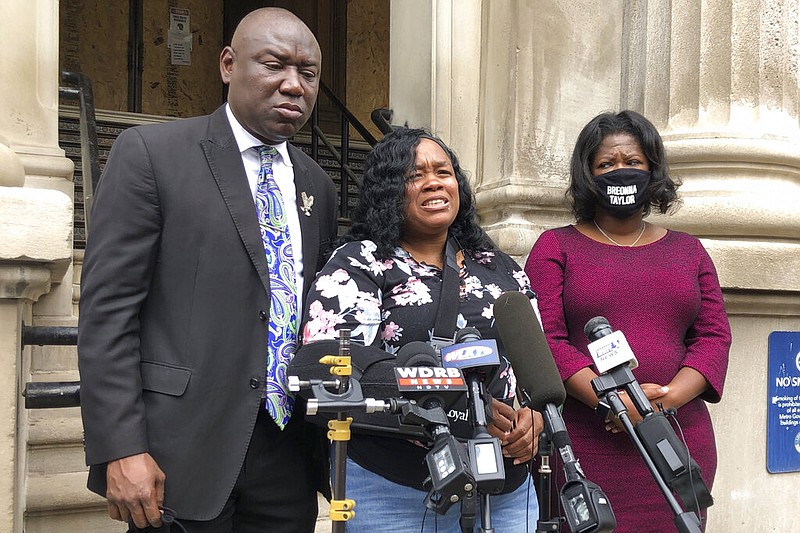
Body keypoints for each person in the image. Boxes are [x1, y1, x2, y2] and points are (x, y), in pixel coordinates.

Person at [77, 7, 337, 532]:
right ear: (227, 64)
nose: (293, 86)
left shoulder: (318, 186)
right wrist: (121, 447)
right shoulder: (152, 155)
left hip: (287, 456)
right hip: (180, 453)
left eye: (307, 74)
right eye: (274, 66)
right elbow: (107, 314)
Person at [298, 127, 543, 532]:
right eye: (414, 175)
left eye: (443, 171)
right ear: (388, 191)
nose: (433, 181)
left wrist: (533, 416)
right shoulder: (361, 263)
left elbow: (534, 360)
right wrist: (462, 406)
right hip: (395, 486)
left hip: (503, 487)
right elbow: (336, 363)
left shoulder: (495, 265)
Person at [524, 110, 731, 532]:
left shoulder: (688, 251)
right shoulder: (555, 247)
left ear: (652, 170)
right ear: (587, 174)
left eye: (633, 162)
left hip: (676, 439)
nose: (621, 171)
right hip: (587, 442)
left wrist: (663, 402)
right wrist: (615, 405)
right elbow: (546, 340)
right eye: (606, 164)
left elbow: (713, 337)